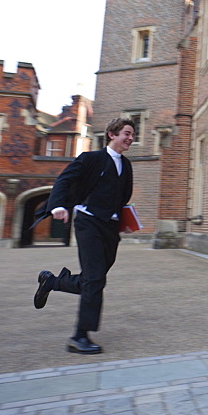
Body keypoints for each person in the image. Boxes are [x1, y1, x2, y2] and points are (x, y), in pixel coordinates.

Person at [32, 118, 135, 354]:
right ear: (111, 134)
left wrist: (126, 221)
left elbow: (122, 199)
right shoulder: (91, 159)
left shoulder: (126, 165)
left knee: (94, 279)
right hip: (88, 223)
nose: (130, 138)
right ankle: (79, 336)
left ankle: (52, 282)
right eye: (126, 133)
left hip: (111, 228)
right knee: (95, 279)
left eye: (132, 135)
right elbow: (64, 180)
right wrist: (58, 206)